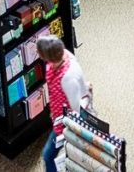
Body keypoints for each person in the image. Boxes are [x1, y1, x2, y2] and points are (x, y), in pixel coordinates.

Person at [38, 35, 92, 172]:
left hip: (67, 123)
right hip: (59, 117)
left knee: (48, 155)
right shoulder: (64, 56)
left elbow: (77, 108)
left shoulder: (68, 78)